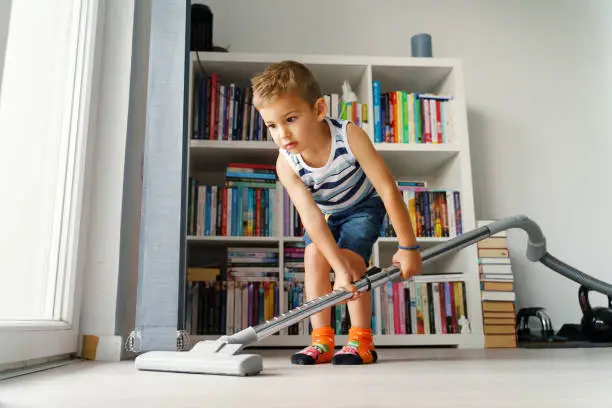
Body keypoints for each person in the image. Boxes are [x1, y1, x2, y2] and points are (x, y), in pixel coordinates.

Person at [251, 60, 422, 365]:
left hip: (362, 208)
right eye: (272, 125)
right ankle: (322, 342)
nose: (282, 134)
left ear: (318, 110)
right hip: (326, 215)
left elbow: (387, 190)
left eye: (290, 119)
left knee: (352, 262)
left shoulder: (349, 136)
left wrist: (408, 247)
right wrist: (335, 269)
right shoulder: (286, 162)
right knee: (314, 256)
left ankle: (361, 341)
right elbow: (311, 217)